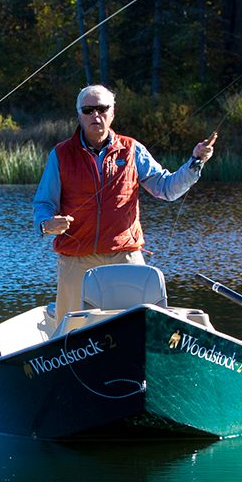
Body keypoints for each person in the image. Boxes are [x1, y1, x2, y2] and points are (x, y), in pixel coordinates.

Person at [32, 84, 217, 318]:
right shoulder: (60, 154)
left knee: (137, 326)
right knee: (71, 334)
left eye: (102, 108)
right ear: (78, 115)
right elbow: (43, 203)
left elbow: (166, 188)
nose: (95, 115)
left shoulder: (131, 149)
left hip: (126, 256)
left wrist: (195, 162)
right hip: (76, 259)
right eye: (88, 110)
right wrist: (46, 224)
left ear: (112, 113)